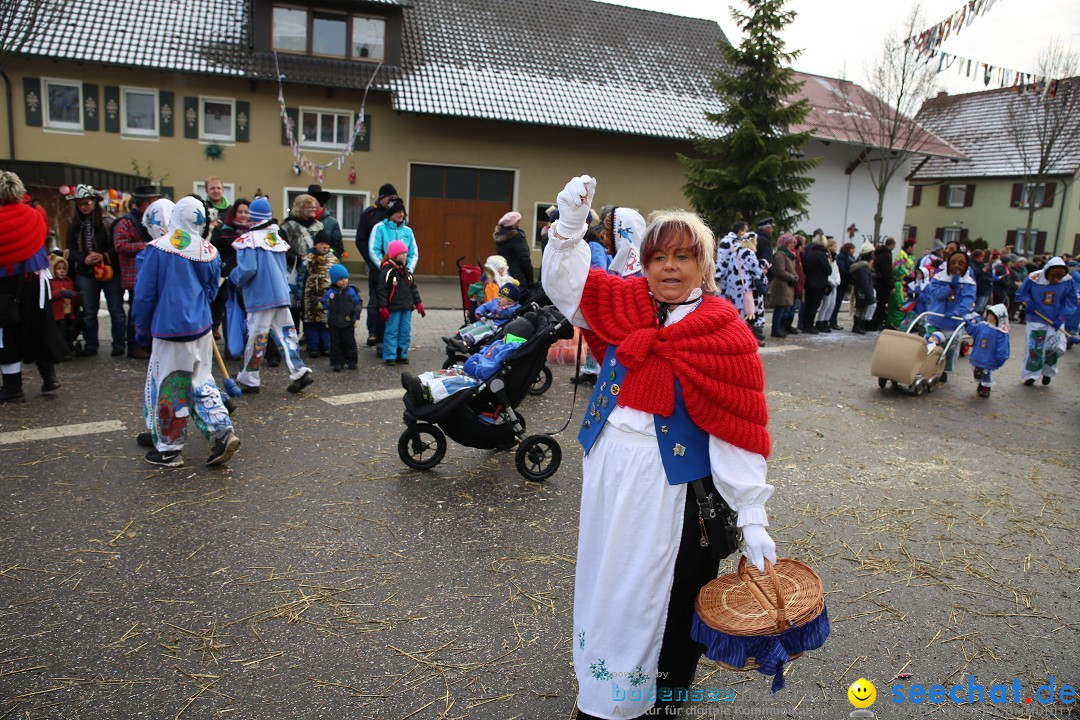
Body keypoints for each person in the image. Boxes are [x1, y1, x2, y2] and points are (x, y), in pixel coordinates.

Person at [543, 175, 775, 720]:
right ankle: (605, 690)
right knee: (609, 584)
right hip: (610, 478)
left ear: (705, 266)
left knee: (666, 598)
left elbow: (736, 428)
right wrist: (571, 228)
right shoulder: (625, 303)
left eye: (683, 256)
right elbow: (569, 290)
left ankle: (657, 701)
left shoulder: (724, 332)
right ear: (643, 262)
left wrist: (753, 515)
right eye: (658, 256)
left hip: (672, 492)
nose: (669, 266)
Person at [131, 196, 240, 468]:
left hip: (169, 330)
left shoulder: (157, 250)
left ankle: (169, 449)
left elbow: (144, 295)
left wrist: (142, 329)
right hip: (200, 328)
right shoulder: (208, 250)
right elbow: (212, 290)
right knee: (202, 381)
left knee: (171, 385)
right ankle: (222, 431)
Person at [229, 197, 315, 395]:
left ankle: (249, 379)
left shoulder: (249, 240)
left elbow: (248, 269)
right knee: (287, 336)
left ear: (252, 216)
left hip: (260, 298)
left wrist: (234, 277)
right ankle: (299, 372)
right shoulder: (276, 238)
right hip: (280, 295)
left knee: (256, 337)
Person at [0, 172, 62, 402]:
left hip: (5, 284)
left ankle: (13, 388)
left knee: (7, 335)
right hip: (36, 280)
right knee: (38, 329)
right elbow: (41, 239)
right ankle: (49, 377)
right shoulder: (35, 214)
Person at [403, 314, 536, 404]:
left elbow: (491, 368)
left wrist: (475, 364)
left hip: (481, 379)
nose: (502, 337)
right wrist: (476, 359)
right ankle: (421, 380)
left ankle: (428, 392)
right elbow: (483, 353)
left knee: (455, 382)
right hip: (476, 369)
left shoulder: (509, 349)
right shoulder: (502, 343)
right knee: (450, 371)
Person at [65, 184, 127, 357]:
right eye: (80, 204)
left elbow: (117, 246)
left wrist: (103, 256)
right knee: (89, 311)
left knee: (116, 310)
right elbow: (70, 247)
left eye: (87, 203)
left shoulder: (109, 221)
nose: (84, 207)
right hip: (86, 272)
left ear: (95, 202)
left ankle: (119, 343)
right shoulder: (74, 224)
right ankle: (91, 344)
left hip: (110, 271)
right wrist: (83, 258)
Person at [111, 184, 161, 359]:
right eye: (153, 201)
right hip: (134, 274)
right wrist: (147, 246)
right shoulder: (125, 222)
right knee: (136, 309)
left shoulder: (151, 222)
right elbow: (120, 245)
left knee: (147, 309)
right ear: (145, 203)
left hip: (147, 273)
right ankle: (134, 345)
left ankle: (145, 344)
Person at [1013, 256, 1076, 386]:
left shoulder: (1067, 281)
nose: (1055, 281)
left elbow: (1071, 299)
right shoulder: (1033, 278)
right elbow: (1021, 293)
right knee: (1034, 347)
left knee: (1053, 348)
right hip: (1036, 317)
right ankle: (1031, 375)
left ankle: (1047, 372)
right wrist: (1028, 301)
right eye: (1053, 278)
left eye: (1058, 279)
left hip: (1056, 318)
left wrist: (1062, 317)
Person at [923, 250, 977, 382]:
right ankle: (926, 366)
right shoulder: (939, 278)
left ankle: (944, 370)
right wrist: (949, 287)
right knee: (931, 343)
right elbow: (935, 295)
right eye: (953, 263)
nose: (956, 266)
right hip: (936, 317)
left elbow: (968, 299)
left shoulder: (968, 282)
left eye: (960, 263)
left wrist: (957, 312)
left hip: (953, 321)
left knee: (950, 347)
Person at [280, 193, 329, 332]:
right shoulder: (288, 226)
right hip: (294, 270)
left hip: (314, 270)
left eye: (315, 208)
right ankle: (293, 333)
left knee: (311, 303)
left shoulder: (319, 226)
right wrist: (296, 258)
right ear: (301, 208)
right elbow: (283, 248)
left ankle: (310, 336)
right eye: (310, 207)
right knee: (294, 303)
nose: (314, 210)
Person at [358, 183, 398, 347]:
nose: (393, 201)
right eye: (390, 198)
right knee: (375, 301)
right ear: (382, 198)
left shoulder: (396, 215)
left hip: (394, 267)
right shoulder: (370, 214)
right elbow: (361, 240)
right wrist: (372, 260)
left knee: (390, 300)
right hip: (376, 266)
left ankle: (386, 333)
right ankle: (373, 332)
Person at [715, 221, 765, 345]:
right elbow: (757, 270)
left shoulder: (736, 248)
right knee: (744, 313)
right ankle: (743, 339)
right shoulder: (736, 246)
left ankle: (738, 337)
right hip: (741, 287)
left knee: (737, 312)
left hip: (732, 286)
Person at [209, 199, 249, 349]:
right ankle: (232, 348)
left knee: (248, 314)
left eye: (246, 212)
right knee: (230, 313)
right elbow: (214, 252)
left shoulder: (254, 232)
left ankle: (247, 347)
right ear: (234, 213)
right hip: (227, 280)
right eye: (240, 212)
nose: (243, 215)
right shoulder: (223, 231)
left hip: (248, 279)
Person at [378, 239, 425, 365]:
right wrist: (383, 307)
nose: (405, 255)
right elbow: (382, 290)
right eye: (402, 253)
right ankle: (390, 356)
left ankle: (402, 354)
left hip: (406, 307)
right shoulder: (387, 271)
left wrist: (418, 303)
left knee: (405, 331)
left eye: (405, 253)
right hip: (393, 308)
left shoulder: (407, 271)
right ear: (394, 255)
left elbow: (413, 288)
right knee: (392, 331)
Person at [301, 235, 339, 357]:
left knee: (326, 322)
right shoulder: (308, 260)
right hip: (310, 295)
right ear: (315, 245)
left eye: (327, 244)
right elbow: (300, 277)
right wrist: (298, 294)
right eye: (321, 243)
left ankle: (326, 346)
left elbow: (339, 277)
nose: (324, 246)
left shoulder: (333, 260)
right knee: (312, 322)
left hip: (327, 295)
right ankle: (313, 347)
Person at [964, 304, 1010, 398]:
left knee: (986, 372)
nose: (989, 317)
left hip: (989, 357)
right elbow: (973, 330)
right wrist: (967, 323)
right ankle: (981, 384)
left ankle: (986, 388)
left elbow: (1002, 348)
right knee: (977, 371)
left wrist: (1000, 358)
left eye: (992, 316)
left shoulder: (1001, 332)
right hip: (978, 354)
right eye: (989, 314)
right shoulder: (982, 326)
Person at [321, 264, 361, 371]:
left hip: (348, 322)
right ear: (334, 280)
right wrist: (317, 302)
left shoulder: (351, 291)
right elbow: (324, 305)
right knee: (335, 343)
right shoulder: (330, 293)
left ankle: (352, 361)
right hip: (334, 322)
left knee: (349, 342)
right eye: (341, 279)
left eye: (345, 278)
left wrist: (356, 312)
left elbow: (358, 302)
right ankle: (337, 362)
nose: (344, 281)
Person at [453, 282, 521, 345]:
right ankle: (458, 336)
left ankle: (466, 343)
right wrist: (479, 312)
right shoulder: (495, 301)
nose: (499, 298)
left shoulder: (513, 309)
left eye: (502, 297)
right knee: (473, 326)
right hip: (486, 320)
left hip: (494, 327)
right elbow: (485, 306)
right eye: (499, 295)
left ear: (510, 302)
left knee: (478, 331)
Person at [765, 233, 798, 338]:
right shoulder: (780, 255)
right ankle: (776, 329)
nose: (793, 245)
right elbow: (780, 271)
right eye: (791, 242)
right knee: (780, 307)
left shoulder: (789, 254)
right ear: (786, 243)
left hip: (788, 285)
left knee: (785, 307)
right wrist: (792, 277)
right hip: (781, 286)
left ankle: (781, 327)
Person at [48, 252, 79, 358]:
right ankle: (60, 351)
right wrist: (60, 293)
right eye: (59, 269)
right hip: (57, 314)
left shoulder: (68, 281)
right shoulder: (51, 283)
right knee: (58, 333)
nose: (61, 271)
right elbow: (49, 296)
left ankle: (69, 347)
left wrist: (76, 296)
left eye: (63, 269)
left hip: (68, 312)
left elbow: (72, 295)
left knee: (69, 331)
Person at [799, 233, 831, 334]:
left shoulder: (808, 252)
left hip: (808, 282)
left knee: (808, 305)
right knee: (814, 306)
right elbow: (828, 270)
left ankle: (804, 325)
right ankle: (809, 326)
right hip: (818, 283)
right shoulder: (821, 255)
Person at [493, 211, 534, 287]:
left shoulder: (500, 235)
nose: (520, 224)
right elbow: (524, 259)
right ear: (514, 223)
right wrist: (530, 279)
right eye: (518, 221)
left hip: (503, 274)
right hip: (517, 277)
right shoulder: (517, 237)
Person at [307, 184, 344, 258]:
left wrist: (325, 255)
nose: (311, 206)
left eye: (313, 202)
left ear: (320, 203)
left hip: (325, 266)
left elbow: (338, 249)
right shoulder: (301, 221)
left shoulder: (332, 223)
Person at [814, 238, 841, 332]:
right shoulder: (826, 257)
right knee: (826, 303)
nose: (836, 248)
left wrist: (837, 280)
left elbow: (836, 271)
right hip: (828, 283)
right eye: (834, 246)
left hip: (834, 284)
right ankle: (820, 321)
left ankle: (826, 321)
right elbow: (827, 271)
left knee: (832, 304)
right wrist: (831, 281)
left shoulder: (834, 258)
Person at [849, 242, 877, 335]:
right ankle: (856, 326)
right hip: (862, 290)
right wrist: (869, 293)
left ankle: (858, 325)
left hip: (862, 289)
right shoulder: (862, 266)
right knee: (860, 308)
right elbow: (864, 281)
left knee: (862, 308)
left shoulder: (861, 264)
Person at [831, 241, 855, 330]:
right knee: (836, 304)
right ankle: (832, 322)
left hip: (844, 283)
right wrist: (850, 272)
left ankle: (832, 321)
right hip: (841, 283)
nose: (853, 251)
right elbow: (842, 269)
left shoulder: (848, 257)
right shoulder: (842, 257)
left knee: (837, 303)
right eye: (852, 249)